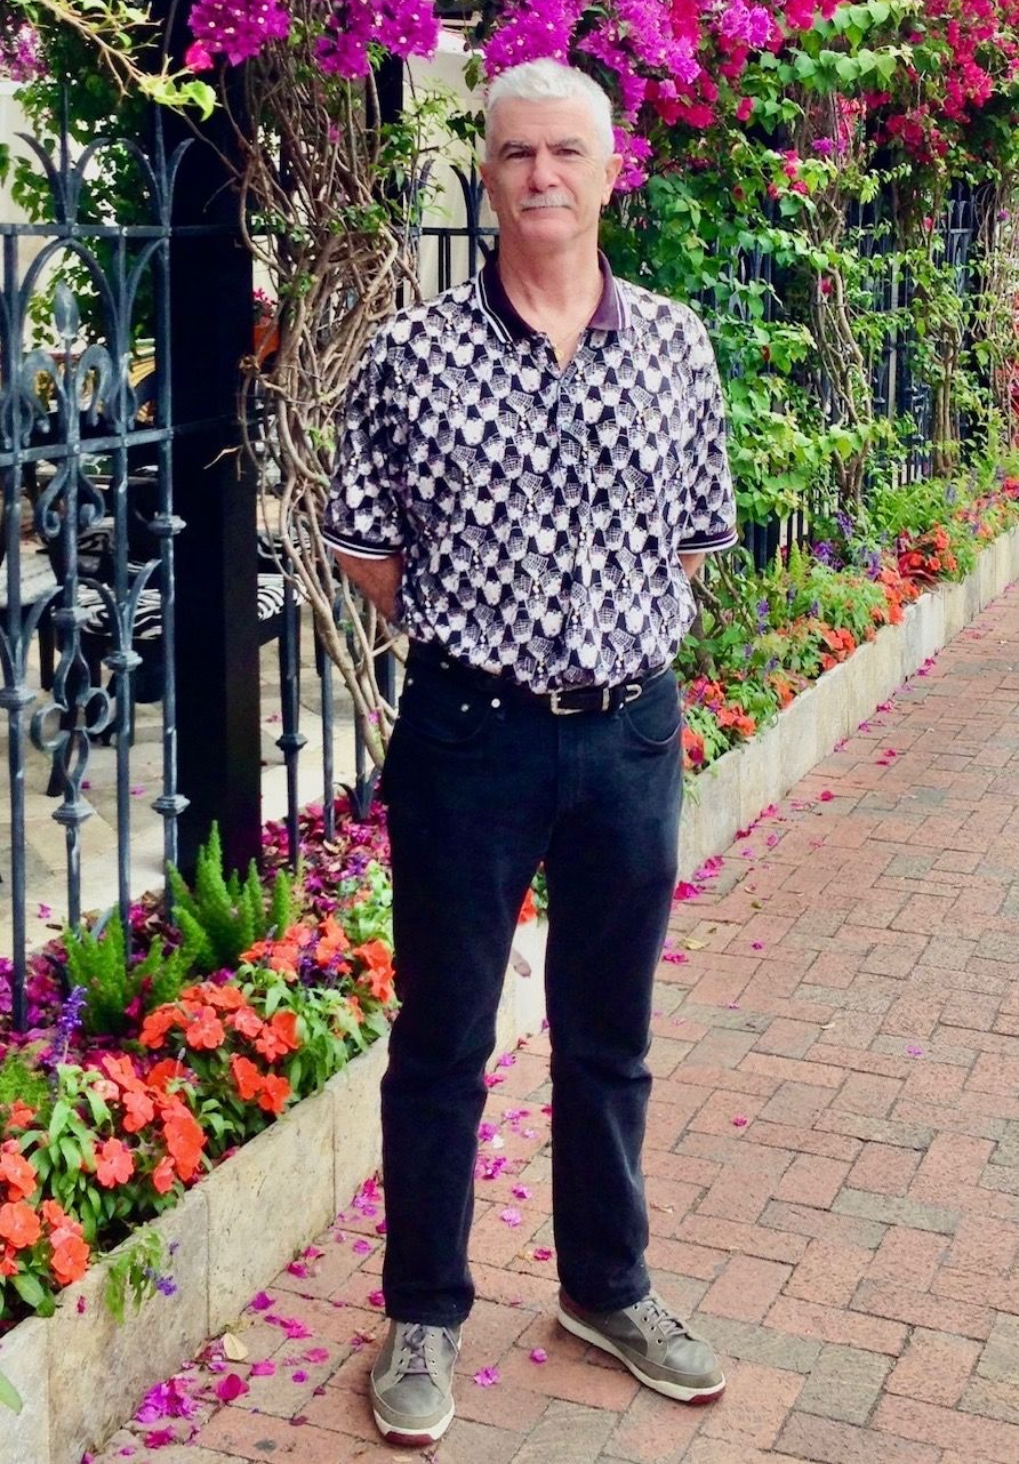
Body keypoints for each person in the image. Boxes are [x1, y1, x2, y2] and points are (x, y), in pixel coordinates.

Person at [323, 56, 737, 1449]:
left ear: (611, 170)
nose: (541, 177)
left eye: (566, 152)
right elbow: (370, 551)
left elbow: (694, 532)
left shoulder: (677, 343)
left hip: (627, 732)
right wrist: (492, 635)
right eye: (514, 156)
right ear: (483, 175)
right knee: (440, 1039)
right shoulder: (411, 355)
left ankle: (604, 1289)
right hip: (470, 733)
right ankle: (424, 1313)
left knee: (606, 1035)